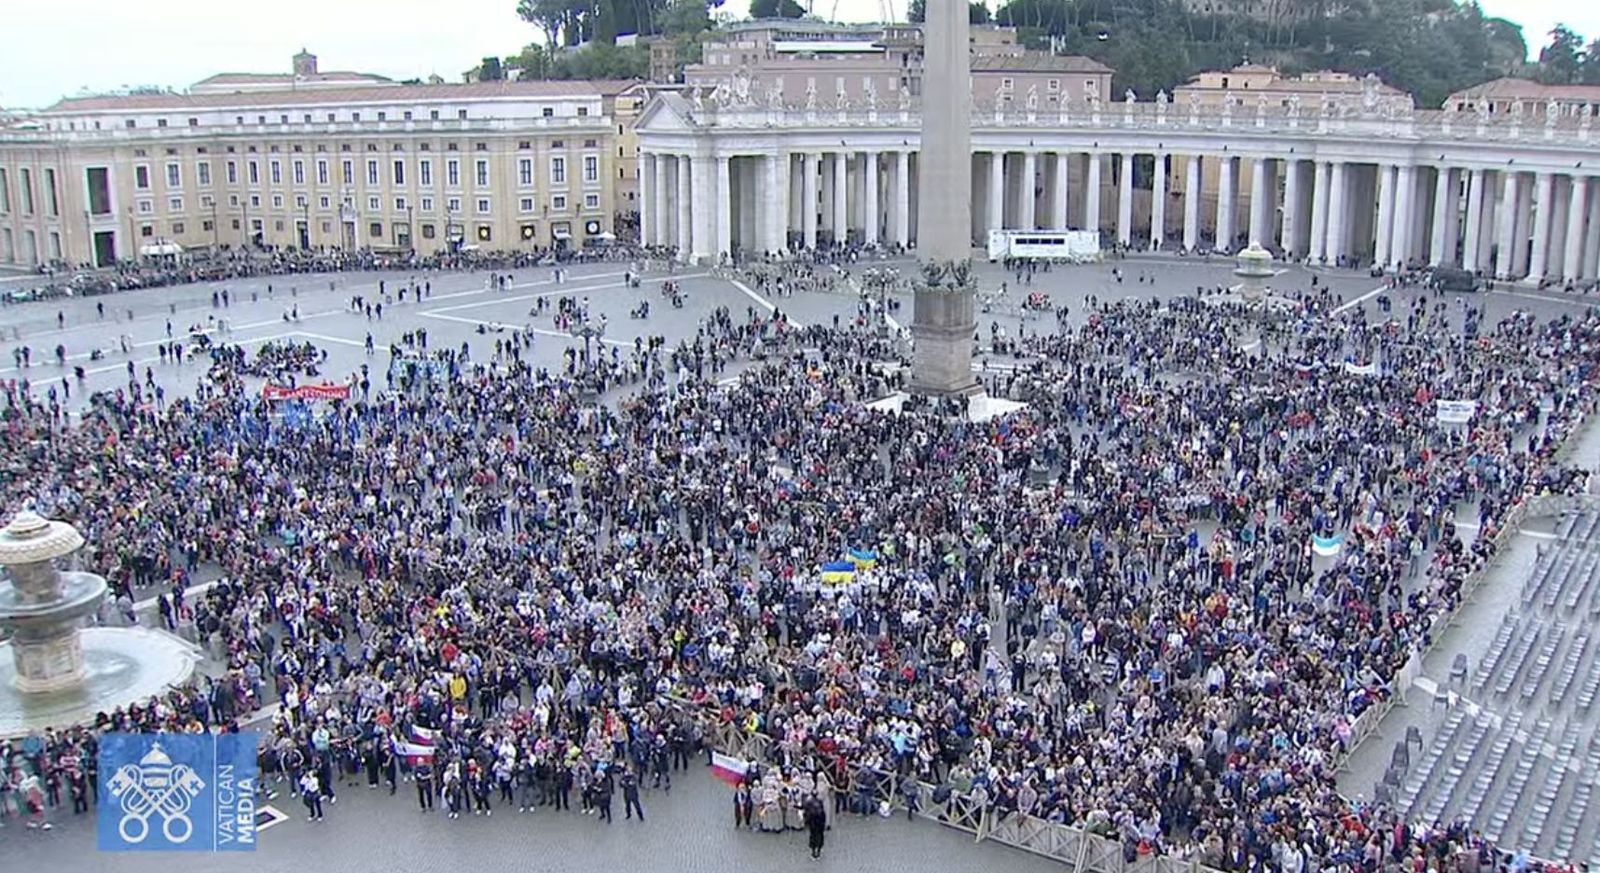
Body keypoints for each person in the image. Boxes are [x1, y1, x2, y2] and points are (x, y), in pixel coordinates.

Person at [803, 794, 827, 859]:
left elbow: (806, 813)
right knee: (819, 835)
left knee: (813, 835)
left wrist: (806, 822)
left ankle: (814, 851)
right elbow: (823, 814)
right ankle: (818, 850)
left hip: (813, 822)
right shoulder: (819, 802)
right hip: (819, 822)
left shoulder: (808, 803)